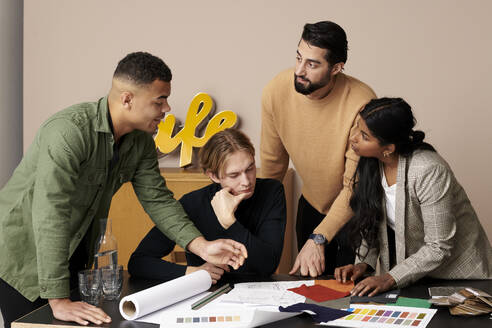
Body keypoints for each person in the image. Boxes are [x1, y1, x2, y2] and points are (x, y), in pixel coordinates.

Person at [0, 52, 248, 328]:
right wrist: (57, 299)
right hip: (21, 254)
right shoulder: (68, 133)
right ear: (127, 99)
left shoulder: (140, 142)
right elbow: (50, 215)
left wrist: (202, 246)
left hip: (70, 252)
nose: (167, 108)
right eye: (159, 100)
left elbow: (158, 200)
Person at [334, 97, 492, 296]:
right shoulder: (371, 162)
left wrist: (389, 278)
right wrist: (363, 264)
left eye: (364, 136)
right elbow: (371, 217)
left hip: (460, 279)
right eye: (357, 128)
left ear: (388, 149)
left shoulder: (429, 170)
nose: (353, 138)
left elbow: (438, 246)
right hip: (417, 277)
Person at [261, 20, 376, 277]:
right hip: (311, 205)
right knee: (306, 294)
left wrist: (320, 238)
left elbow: (353, 187)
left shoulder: (362, 102)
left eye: (312, 64)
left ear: (336, 67)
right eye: (298, 58)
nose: (299, 70)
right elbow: (272, 166)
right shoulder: (276, 91)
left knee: (346, 299)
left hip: (354, 211)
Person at [128, 128, 286, 284]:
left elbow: (268, 265)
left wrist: (229, 222)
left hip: (259, 296)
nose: (246, 181)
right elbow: (138, 263)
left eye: (250, 169)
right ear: (213, 175)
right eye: (234, 175)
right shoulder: (193, 203)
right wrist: (191, 272)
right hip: (207, 296)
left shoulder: (271, 192)